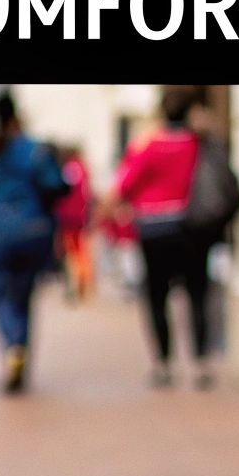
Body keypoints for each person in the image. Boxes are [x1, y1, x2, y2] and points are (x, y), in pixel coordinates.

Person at [103, 86, 214, 389]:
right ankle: (201, 361)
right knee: (197, 294)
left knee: (156, 296)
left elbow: (123, 187)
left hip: (154, 231)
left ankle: (164, 362)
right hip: (190, 229)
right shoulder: (198, 144)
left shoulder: (149, 147)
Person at [0, 93, 66, 394]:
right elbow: (55, 185)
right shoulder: (34, 150)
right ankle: (19, 348)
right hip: (33, 230)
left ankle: (12, 345)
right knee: (23, 298)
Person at [52, 145, 95, 303]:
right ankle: (83, 282)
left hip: (69, 216)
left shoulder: (69, 169)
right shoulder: (83, 168)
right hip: (80, 215)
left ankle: (77, 284)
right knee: (80, 250)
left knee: (72, 252)